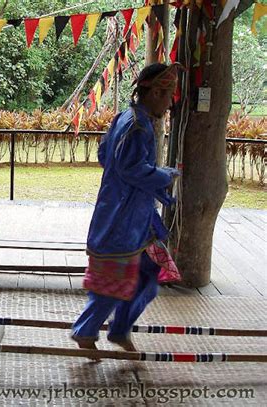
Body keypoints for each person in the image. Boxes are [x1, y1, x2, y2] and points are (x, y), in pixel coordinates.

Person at [71, 63, 181, 355]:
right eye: (168, 94)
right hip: (122, 219)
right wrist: (164, 175)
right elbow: (130, 168)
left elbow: (105, 155)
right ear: (155, 92)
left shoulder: (127, 118)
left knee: (148, 275)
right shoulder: (136, 125)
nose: (170, 102)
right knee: (113, 281)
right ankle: (86, 330)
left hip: (133, 215)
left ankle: (118, 330)